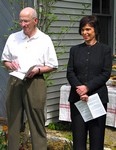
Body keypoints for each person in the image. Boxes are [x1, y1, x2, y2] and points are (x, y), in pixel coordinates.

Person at [1, 7, 58, 150]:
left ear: (35, 21)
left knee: (37, 120)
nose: (23, 24)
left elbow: (53, 65)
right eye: (21, 21)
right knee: (13, 120)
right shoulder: (13, 38)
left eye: (26, 21)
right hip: (15, 81)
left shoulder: (45, 39)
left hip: (35, 82)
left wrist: (38, 69)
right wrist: (10, 65)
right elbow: (5, 60)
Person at [67, 15, 112, 150]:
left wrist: (87, 88)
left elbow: (105, 73)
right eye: (82, 30)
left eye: (88, 29)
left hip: (97, 99)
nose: (85, 33)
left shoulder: (105, 50)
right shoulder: (75, 50)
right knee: (78, 140)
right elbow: (70, 72)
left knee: (97, 140)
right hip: (77, 99)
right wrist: (80, 90)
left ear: (95, 30)